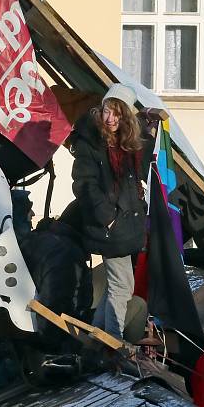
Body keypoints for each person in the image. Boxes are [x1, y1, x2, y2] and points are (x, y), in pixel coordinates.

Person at [65, 83, 147, 340]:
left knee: (121, 285)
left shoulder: (125, 144)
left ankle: (98, 337)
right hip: (110, 226)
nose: (109, 118)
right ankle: (113, 342)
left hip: (125, 223)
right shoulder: (90, 141)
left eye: (116, 113)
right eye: (106, 111)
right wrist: (108, 218)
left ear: (125, 116)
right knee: (122, 286)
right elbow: (84, 184)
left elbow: (133, 180)